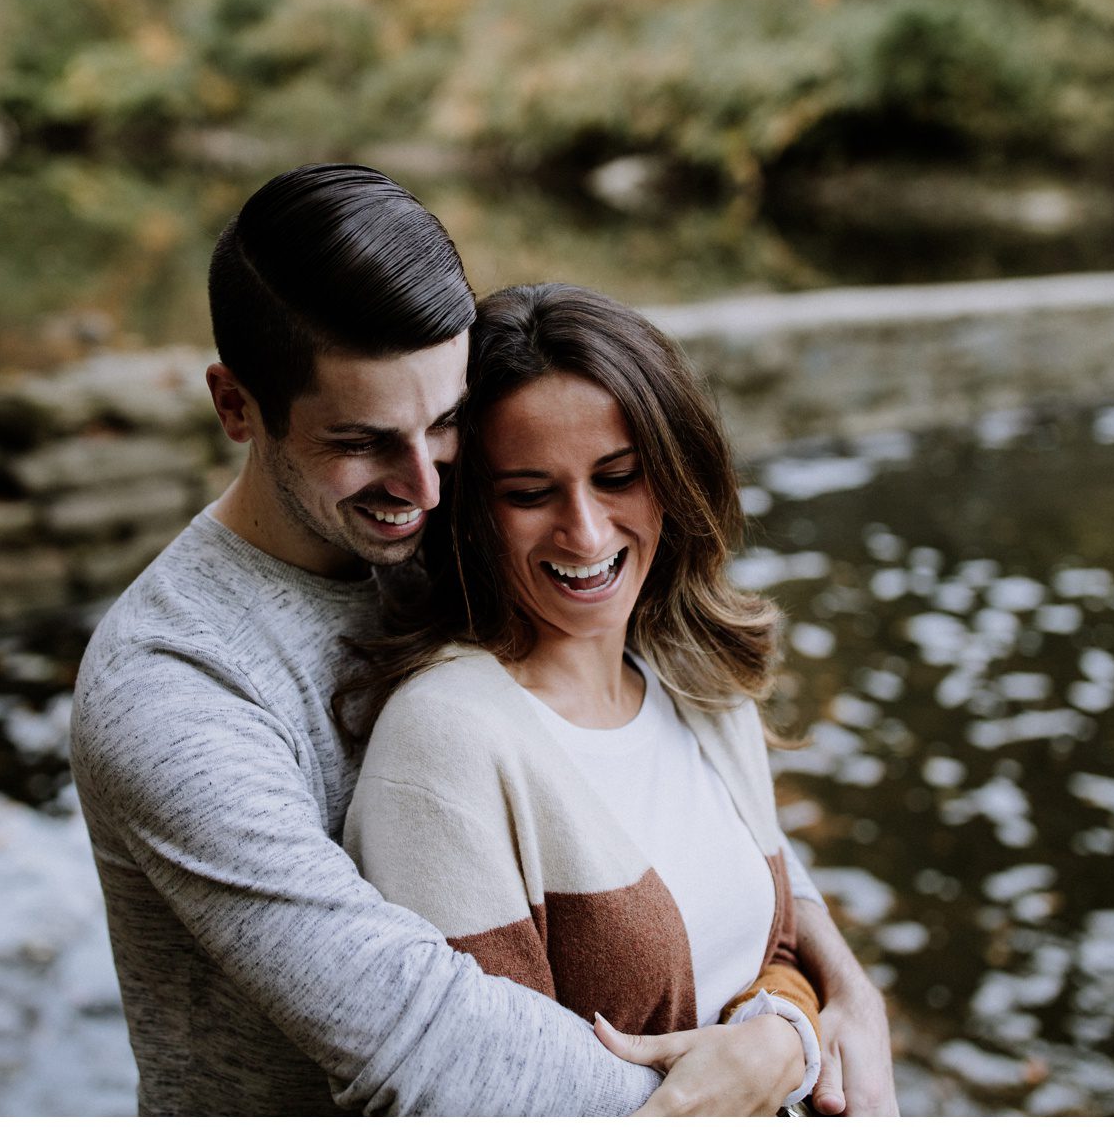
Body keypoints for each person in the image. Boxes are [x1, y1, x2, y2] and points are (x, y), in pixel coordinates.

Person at [71, 164, 896, 1115]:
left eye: (448, 420)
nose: (423, 485)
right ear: (236, 407)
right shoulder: (173, 688)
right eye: (362, 441)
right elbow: (425, 1040)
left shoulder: (457, 542)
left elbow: (694, 809)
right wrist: (760, 1070)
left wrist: (833, 990)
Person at [339, 282, 865, 1114]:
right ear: (471, 511)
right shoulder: (446, 745)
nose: (584, 534)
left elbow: (778, 949)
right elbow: (490, 1092)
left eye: (617, 477)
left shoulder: (699, 680)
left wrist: (785, 1036)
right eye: (529, 493)